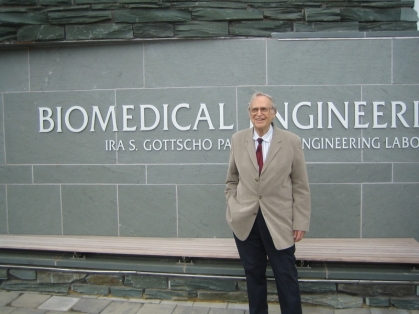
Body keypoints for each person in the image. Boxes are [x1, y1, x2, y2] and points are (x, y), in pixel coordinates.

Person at [225, 92, 311, 314]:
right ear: (249, 113)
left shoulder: (291, 141)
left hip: (280, 221)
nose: (259, 113)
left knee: (286, 276)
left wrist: (300, 221)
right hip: (245, 220)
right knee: (253, 275)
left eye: (264, 109)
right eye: (255, 109)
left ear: (274, 113)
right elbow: (231, 179)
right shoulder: (238, 139)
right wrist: (233, 204)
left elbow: (300, 185)